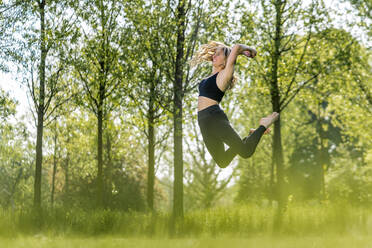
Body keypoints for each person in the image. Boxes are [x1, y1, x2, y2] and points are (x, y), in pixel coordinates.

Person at [189, 41, 279, 168]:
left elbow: (236, 47)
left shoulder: (224, 75)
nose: (214, 56)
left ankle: (263, 125)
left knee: (246, 152)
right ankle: (249, 137)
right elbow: (227, 53)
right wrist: (220, 52)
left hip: (214, 118)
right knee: (222, 161)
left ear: (226, 60)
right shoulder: (210, 75)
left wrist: (248, 50)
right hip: (203, 121)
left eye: (218, 54)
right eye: (214, 54)